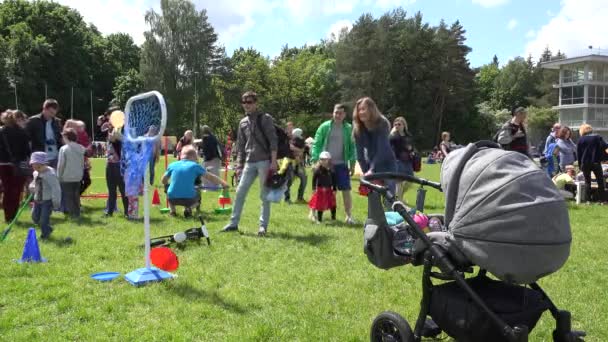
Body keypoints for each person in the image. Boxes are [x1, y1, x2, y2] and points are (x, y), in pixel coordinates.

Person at [222, 91, 278, 236]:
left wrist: (273, 161)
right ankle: (233, 223)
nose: (247, 105)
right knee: (240, 192)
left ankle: (262, 226)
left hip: (264, 161)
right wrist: (238, 166)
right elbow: (240, 146)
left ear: (256, 103)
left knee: (264, 195)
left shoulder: (265, 118)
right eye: (244, 102)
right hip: (249, 162)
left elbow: (273, 140)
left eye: (250, 102)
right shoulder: (242, 122)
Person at [311, 104, 357, 224]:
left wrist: (352, 163)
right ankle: (312, 213)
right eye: (336, 112)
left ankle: (348, 216)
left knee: (346, 190)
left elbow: (353, 147)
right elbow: (316, 143)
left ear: (344, 115)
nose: (338, 115)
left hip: (341, 164)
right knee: (319, 189)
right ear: (333, 113)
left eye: (340, 113)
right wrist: (315, 160)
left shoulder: (348, 128)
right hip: (325, 165)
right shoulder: (324, 127)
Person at [162, 147, 228, 217]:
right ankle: (189, 208)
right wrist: (223, 183)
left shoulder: (172, 165)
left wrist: (167, 185)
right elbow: (210, 177)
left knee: (167, 188)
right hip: (189, 199)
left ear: (181, 155)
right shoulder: (195, 166)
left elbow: (163, 180)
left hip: (172, 198)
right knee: (198, 197)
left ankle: (172, 211)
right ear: (194, 157)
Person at [0, 110, 31, 222]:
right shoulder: (22, 132)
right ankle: (13, 216)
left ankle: (8, 216)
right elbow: (27, 150)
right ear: (18, 119)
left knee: (7, 190)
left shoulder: (1, 131)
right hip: (19, 164)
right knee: (17, 191)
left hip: (3, 164)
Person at [353, 97, 397, 177]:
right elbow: (360, 155)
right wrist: (366, 171)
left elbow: (382, 149)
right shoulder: (358, 129)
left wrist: (372, 170)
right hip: (370, 163)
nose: (361, 112)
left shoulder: (382, 123)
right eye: (359, 110)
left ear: (371, 109)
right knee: (372, 188)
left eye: (363, 109)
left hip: (387, 165)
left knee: (387, 189)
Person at [28, 152, 61, 239]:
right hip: (37, 200)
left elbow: (56, 189)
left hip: (47, 201)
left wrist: (56, 202)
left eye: (38, 167)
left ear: (44, 164)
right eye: (34, 166)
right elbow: (34, 183)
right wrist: (31, 187)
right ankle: (48, 228)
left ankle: (45, 235)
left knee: (43, 220)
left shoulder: (50, 174)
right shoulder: (36, 173)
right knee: (35, 218)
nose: (36, 169)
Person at [57, 128, 85, 220]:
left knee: (68, 197)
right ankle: (77, 212)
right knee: (76, 196)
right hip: (78, 176)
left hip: (66, 176)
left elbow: (61, 164)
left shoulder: (63, 149)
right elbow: (82, 163)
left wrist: (59, 176)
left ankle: (73, 215)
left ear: (66, 137)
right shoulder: (81, 148)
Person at [25, 99, 63, 167]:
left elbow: (60, 137)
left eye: (54, 113)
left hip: (55, 157)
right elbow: (27, 140)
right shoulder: (33, 121)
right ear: (44, 109)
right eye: (51, 112)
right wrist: (29, 155)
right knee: (41, 177)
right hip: (40, 158)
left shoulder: (57, 122)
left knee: (55, 177)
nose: (52, 115)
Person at [577, 124, 607, 203]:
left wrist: (580, 165)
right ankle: (602, 200)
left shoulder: (581, 139)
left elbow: (578, 154)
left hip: (585, 163)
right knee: (600, 181)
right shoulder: (597, 137)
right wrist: (604, 158)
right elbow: (605, 146)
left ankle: (588, 200)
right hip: (596, 162)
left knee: (587, 181)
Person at [105, 124, 128, 217]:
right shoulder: (110, 142)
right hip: (109, 167)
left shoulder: (119, 144)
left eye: (111, 134)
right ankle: (110, 211)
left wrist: (116, 128)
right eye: (109, 134)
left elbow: (117, 134)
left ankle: (127, 212)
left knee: (123, 190)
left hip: (119, 167)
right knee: (111, 191)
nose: (109, 135)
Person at [389, 117, 415, 201]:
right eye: (395, 124)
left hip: (408, 161)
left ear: (404, 125)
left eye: (399, 124)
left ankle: (399, 196)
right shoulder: (393, 136)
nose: (397, 126)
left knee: (410, 181)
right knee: (399, 182)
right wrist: (391, 133)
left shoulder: (408, 135)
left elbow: (412, 146)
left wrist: (412, 150)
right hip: (397, 161)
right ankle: (399, 201)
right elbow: (387, 144)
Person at [308, 151, 337, 223]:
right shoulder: (317, 170)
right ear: (319, 160)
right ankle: (319, 220)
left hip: (329, 190)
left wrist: (334, 188)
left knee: (332, 204)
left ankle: (333, 218)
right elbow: (314, 179)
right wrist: (314, 188)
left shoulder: (331, 170)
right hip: (320, 190)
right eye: (322, 159)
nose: (324, 161)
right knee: (319, 205)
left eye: (325, 159)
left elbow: (334, 180)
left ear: (329, 160)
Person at [285, 128, 307, 204]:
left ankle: (300, 198)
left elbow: (303, 150)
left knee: (304, 179)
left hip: (299, 164)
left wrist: (299, 151)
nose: (302, 136)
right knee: (289, 181)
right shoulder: (290, 142)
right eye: (301, 134)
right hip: (291, 163)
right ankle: (287, 198)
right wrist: (299, 151)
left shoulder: (301, 142)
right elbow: (291, 148)